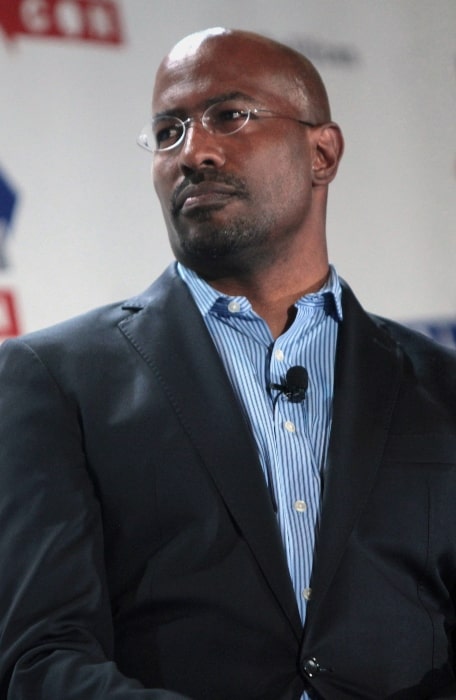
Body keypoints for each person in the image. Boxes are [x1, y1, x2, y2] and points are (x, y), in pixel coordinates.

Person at [0, 26, 455, 700]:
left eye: (229, 116)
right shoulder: (53, 379)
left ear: (322, 152)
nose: (195, 151)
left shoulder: (441, 386)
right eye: (168, 131)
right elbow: (40, 660)